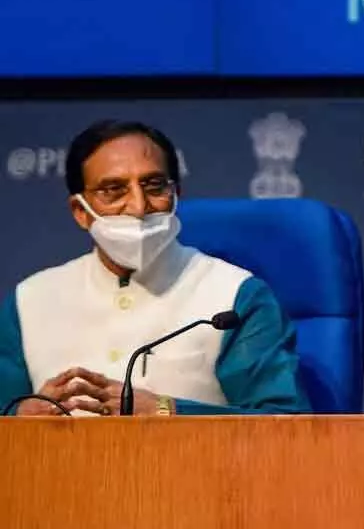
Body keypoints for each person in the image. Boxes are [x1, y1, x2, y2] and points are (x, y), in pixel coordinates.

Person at [0, 120, 311, 416]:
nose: (138, 206)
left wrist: (167, 411)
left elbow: (285, 423)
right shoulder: (30, 301)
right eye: (113, 190)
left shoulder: (234, 297)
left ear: (176, 194)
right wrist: (16, 417)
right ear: (80, 211)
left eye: (153, 185)